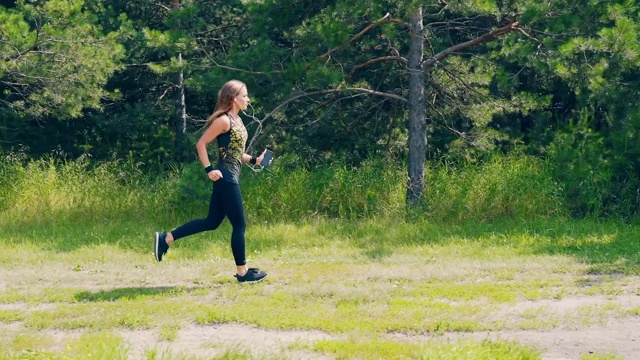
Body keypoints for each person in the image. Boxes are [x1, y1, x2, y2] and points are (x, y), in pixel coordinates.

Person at [154, 80, 269, 283]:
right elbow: (201, 144)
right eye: (245, 95)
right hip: (226, 177)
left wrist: (255, 160)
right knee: (239, 224)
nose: (248, 99)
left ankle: (166, 238)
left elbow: (236, 153)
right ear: (234, 98)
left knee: (212, 222)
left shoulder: (238, 121)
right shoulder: (223, 120)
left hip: (230, 175)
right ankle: (243, 273)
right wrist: (209, 170)